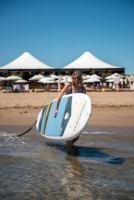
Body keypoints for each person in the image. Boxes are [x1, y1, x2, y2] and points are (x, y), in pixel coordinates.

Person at [54, 71, 86, 147]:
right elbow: (59, 97)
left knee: (77, 135)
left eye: (78, 78)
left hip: (77, 113)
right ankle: (70, 152)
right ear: (72, 78)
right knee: (69, 133)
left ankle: (69, 148)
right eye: (74, 78)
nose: (76, 79)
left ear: (81, 79)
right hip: (67, 112)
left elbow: (84, 102)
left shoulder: (83, 89)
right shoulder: (69, 86)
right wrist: (56, 109)